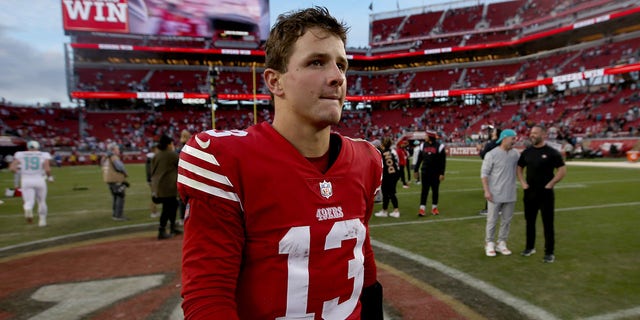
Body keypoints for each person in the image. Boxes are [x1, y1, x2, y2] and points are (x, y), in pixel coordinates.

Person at [177, 7, 383, 319]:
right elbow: (208, 296)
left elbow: (363, 261)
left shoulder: (367, 160)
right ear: (275, 82)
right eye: (316, 62)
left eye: (341, 65)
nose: (337, 77)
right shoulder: (225, 159)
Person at [517, 124, 567, 263]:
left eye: (535, 133)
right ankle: (529, 247)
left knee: (548, 223)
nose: (532, 135)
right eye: (531, 133)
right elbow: (519, 167)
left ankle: (549, 252)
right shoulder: (527, 152)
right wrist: (522, 183)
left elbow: (562, 171)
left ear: (543, 135)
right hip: (529, 192)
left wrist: (551, 184)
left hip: (545, 193)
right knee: (530, 222)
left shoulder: (552, 152)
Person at [481, 129, 519, 257]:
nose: (515, 141)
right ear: (504, 138)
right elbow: (484, 174)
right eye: (513, 138)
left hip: (510, 193)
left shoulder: (515, 154)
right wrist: (486, 191)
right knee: (492, 220)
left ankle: (501, 242)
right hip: (494, 193)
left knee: (506, 220)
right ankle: (489, 243)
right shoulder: (491, 154)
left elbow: (520, 168)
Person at [9, 140, 52, 227]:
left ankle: (28, 209)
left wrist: (21, 173)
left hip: (26, 180)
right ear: (38, 147)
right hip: (39, 179)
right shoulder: (44, 154)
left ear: (28, 147)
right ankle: (42, 221)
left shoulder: (20, 154)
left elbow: (12, 168)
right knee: (41, 201)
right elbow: (47, 169)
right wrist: (50, 177)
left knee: (29, 201)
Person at [151, 135, 181, 240]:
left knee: (171, 206)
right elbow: (181, 165)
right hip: (168, 187)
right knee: (168, 208)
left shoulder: (157, 155)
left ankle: (172, 227)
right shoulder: (171, 155)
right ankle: (162, 230)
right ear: (169, 144)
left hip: (159, 187)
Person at [414, 130, 446, 216]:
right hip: (425, 172)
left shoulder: (440, 146)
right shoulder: (422, 145)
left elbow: (443, 162)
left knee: (435, 191)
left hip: (435, 173)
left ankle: (434, 208)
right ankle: (422, 209)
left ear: (430, 137)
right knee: (424, 191)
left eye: (426, 136)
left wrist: (442, 173)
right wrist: (416, 170)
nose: (425, 137)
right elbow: (419, 159)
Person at [101, 142, 129, 221]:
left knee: (115, 197)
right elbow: (120, 167)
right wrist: (125, 173)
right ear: (113, 149)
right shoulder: (113, 157)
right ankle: (118, 215)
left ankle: (115, 214)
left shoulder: (105, 157)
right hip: (115, 179)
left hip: (108, 179)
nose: (119, 150)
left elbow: (101, 164)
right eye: (117, 149)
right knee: (120, 196)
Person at [478, 127, 502, 215]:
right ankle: (499, 208)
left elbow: (483, 156)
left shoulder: (490, 144)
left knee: (489, 189)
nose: (492, 132)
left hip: (491, 168)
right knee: (499, 188)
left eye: (494, 131)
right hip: (500, 168)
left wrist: (480, 149)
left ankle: (489, 209)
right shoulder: (501, 143)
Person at [375, 137, 401, 218]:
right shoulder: (393, 151)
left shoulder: (382, 153)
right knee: (389, 193)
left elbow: (381, 165)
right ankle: (385, 210)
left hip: (388, 175)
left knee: (389, 193)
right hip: (394, 174)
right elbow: (397, 162)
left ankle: (395, 211)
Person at [145, 146, 159, 218]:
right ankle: (153, 212)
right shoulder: (152, 157)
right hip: (154, 180)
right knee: (154, 196)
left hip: (151, 179)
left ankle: (154, 211)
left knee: (154, 195)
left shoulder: (149, 158)